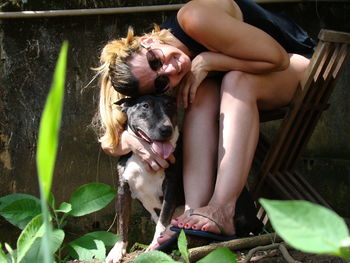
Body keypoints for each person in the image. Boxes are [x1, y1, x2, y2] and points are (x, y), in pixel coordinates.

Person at [94, 0, 315, 260]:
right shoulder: (177, 70)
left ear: (147, 41)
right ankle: (194, 210)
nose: (169, 69)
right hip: (251, 78)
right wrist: (132, 140)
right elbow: (110, 143)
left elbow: (276, 58)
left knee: (234, 80)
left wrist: (207, 60)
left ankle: (224, 209)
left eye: (155, 61)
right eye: (161, 82)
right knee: (199, 93)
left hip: (298, 62)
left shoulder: (194, 17)